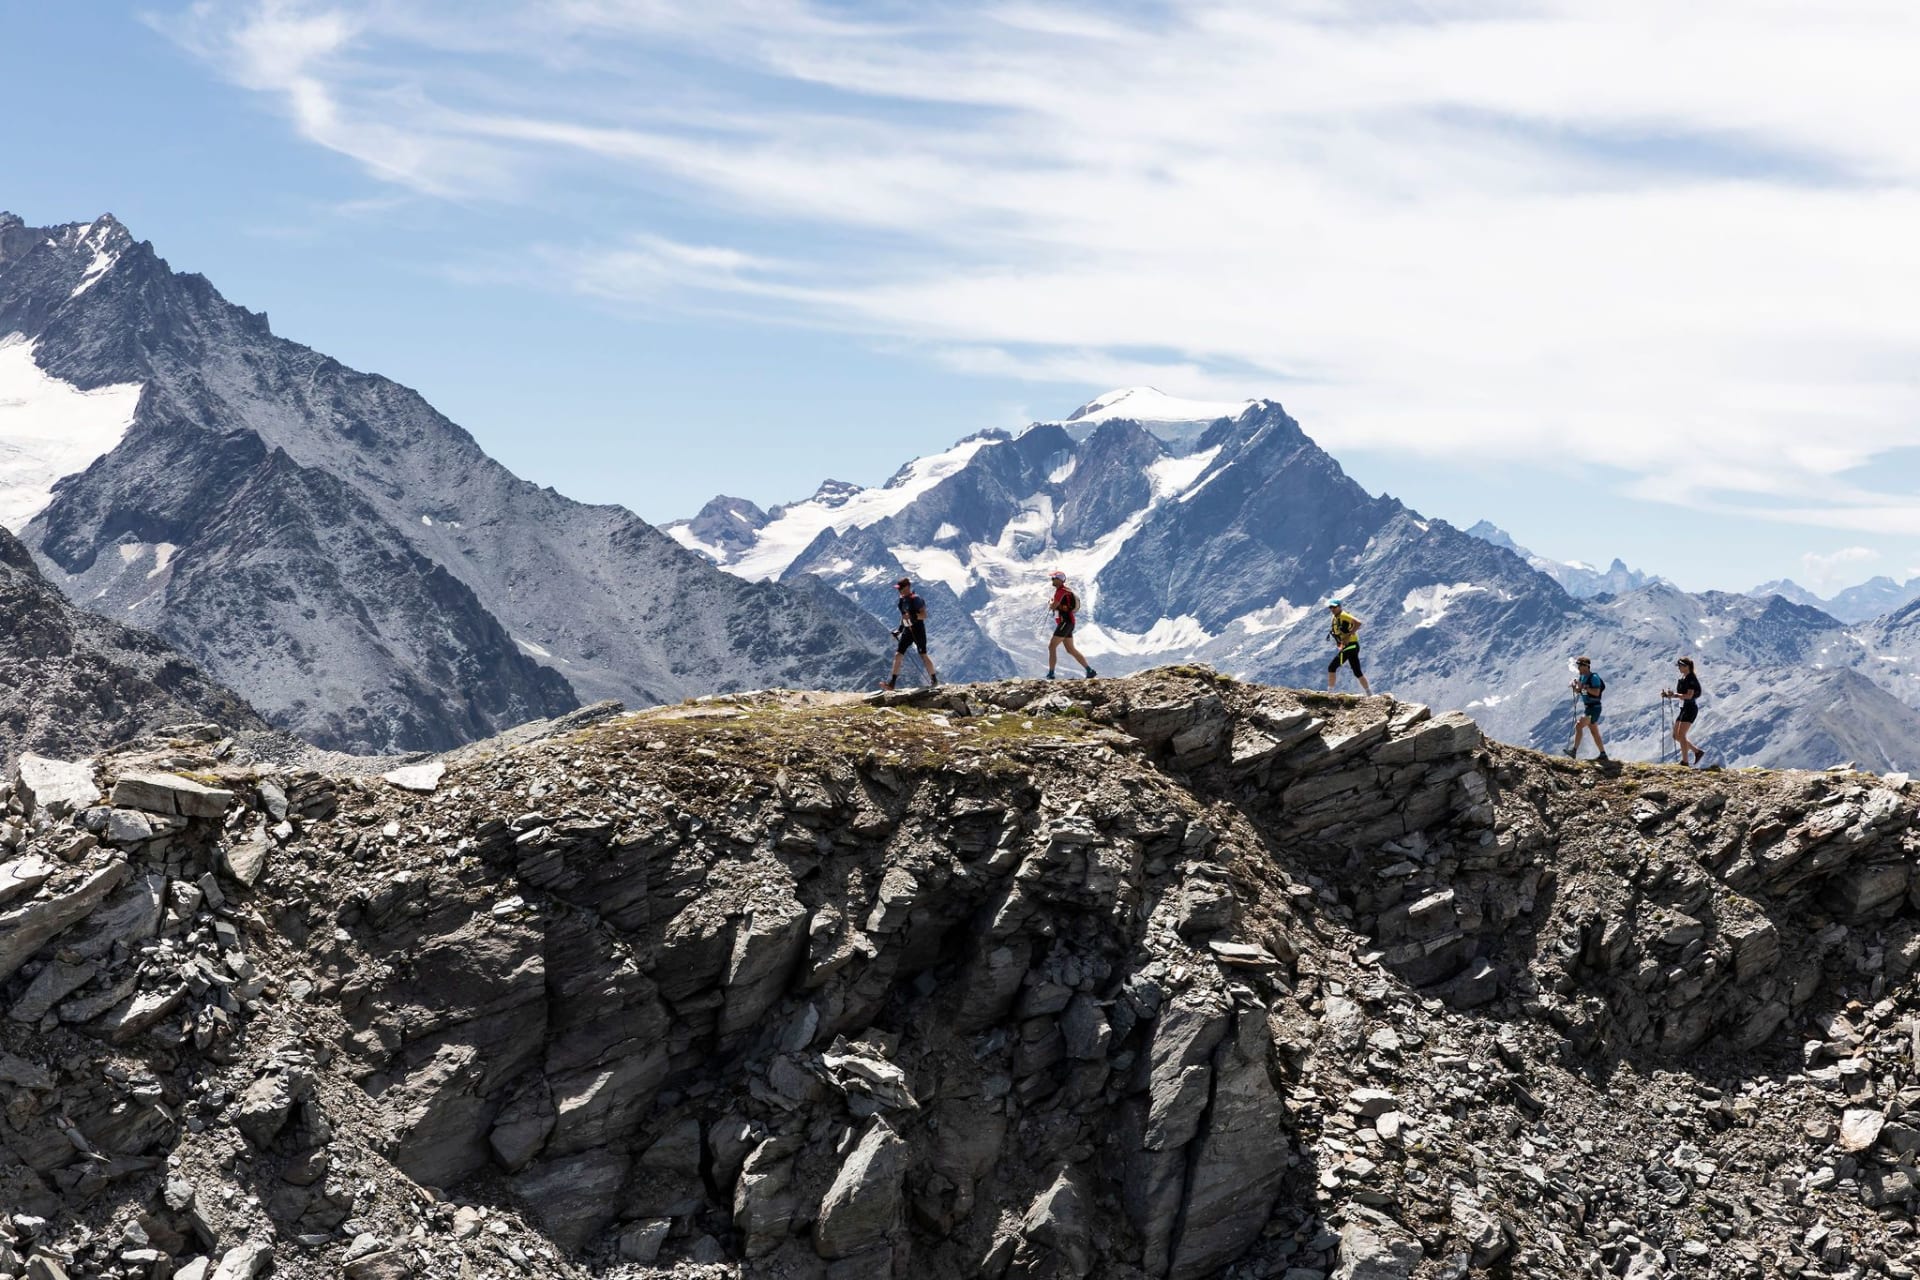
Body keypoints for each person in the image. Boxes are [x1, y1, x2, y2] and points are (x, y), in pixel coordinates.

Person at [881, 577, 938, 690]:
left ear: (907, 587)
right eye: (898, 588)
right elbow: (903, 617)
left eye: (900, 588)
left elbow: (924, 615)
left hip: (918, 630)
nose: (899, 590)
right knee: (898, 654)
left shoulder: (915, 599)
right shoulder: (902, 600)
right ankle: (892, 683)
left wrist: (912, 617)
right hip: (907, 630)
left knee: (923, 655)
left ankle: (934, 680)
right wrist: (900, 630)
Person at [1046, 571, 1096, 679]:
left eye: (1053, 578)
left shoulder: (1060, 592)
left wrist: (1050, 602)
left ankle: (1051, 674)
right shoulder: (1066, 591)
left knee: (1052, 646)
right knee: (1070, 649)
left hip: (1065, 622)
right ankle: (1089, 670)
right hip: (1069, 622)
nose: (1052, 580)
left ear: (1059, 580)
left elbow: (1054, 606)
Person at [1662, 656, 1706, 766]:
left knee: (1681, 734)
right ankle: (1697, 751)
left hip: (1690, 709)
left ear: (1687, 667)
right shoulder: (1684, 678)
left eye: (1680, 666)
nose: (1679, 668)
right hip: (1684, 709)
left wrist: (1674, 695)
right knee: (1676, 736)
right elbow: (1682, 695)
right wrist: (1669, 695)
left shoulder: (1691, 679)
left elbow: (1689, 696)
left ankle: (1685, 762)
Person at [1325, 599, 1372, 695]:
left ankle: (1329, 693)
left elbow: (1358, 623)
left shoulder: (1343, 615)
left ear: (1339, 607)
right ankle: (1369, 693)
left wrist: (1348, 635)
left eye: (1334, 607)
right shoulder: (1335, 617)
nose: (1332, 609)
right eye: (1331, 607)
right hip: (1352, 646)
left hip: (1351, 645)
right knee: (1357, 671)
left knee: (1332, 667)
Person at [1567, 655, 1609, 763]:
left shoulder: (1593, 677)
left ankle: (1574, 751)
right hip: (1588, 707)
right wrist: (1575, 687)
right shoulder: (1581, 678)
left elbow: (1596, 692)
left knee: (1579, 725)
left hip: (1594, 708)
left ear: (1586, 666)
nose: (1578, 668)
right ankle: (1603, 754)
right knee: (1594, 731)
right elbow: (1579, 691)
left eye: (1580, 666)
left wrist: (1585, 687)